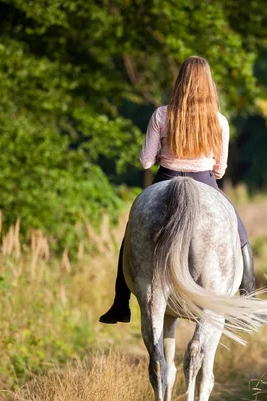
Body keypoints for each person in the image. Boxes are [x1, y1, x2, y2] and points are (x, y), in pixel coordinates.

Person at [99, 56, 256, 324]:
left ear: (180, 81)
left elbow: (145, 161)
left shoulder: (161, 114)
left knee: (131, 234)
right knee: (239, 231)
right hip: (205, 180)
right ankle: (248, 296)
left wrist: (165, 152)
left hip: (165, 178)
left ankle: (120, 303)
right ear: (209, 84)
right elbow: (220, 170)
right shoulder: (219, 121)